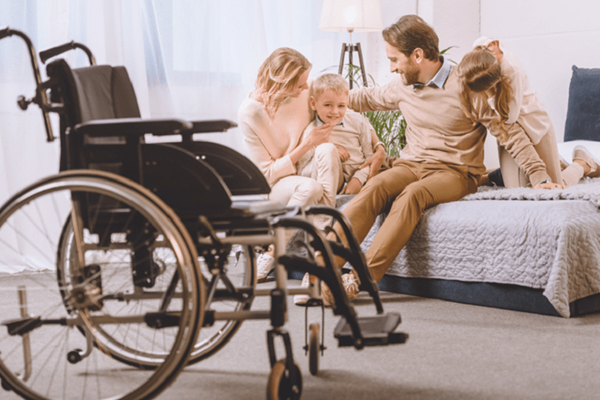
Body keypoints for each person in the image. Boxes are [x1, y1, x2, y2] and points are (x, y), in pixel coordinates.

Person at [318, 15, 561, 306]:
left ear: (418, 55)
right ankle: (323, 268)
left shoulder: (467, 86)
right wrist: (314, 96)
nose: (392, 67)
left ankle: (358, 279)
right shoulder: (401, 86)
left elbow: (508, 133)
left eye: (395, 59)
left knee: (412, 196)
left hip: (456, 172)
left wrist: (540, 177)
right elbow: (364, 98)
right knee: (377, 186)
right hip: (412, 164)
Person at [238, 48, 386, 283]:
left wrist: (379, 147)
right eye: (300, 85)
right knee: (310, 188)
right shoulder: (250, 114)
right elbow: (266, 174)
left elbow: (346, 108)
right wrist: (307, 145)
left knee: (327, 151)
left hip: (314, 167)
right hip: (281, 183)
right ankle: (273, 252)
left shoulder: (306, 87)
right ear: (281, 84)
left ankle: (322, 246)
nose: (306, 89)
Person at [457, 38, 600, 188]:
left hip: (534, 126)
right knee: (518, 187)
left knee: (555, 186)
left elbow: (510, 118)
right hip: (511, 132)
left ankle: (581, 164)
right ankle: (509, 173)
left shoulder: (511, 72)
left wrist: (490, 95)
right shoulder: (476, 64)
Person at [297, 73, 385, 197]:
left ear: (347, 103)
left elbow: (369, 158)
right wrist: (329, 152)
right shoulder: (311, 132)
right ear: (313, 103)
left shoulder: (358, 121)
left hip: (359, 180)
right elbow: (302, 169)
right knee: (327, 152)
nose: (335, 112)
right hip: (329, 184)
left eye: (341, 106)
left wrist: (358, 179)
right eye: (327, 105)